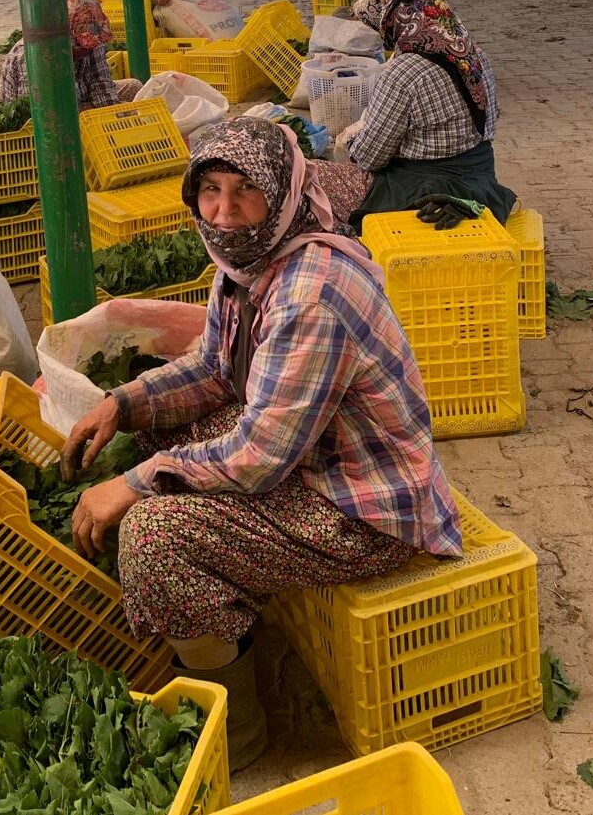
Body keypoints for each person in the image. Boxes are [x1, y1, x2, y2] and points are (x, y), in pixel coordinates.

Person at [60, 117, 461, 771]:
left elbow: (258, 454)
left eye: (244, 189)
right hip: (310, 454)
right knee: (160, 431)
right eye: (210, 189)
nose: (223, 210)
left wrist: (133, 485)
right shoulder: (248, 262)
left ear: (280, 193)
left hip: (361, 506)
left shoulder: (311, 292)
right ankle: (229, 623)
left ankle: (237, 735)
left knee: (153, 537)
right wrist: (122, 403)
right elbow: (214, 371)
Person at [344, 0, 517, 228]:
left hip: (425, 191)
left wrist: (350, 140)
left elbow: (370, 157)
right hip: (482, 181)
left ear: (397, 22)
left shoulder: (403, 73)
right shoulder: (474, 55)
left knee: (325, 186)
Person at [0, 0, 143, 107]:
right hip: (54, 113)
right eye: (79, 45)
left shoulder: (93, 40)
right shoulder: (32, 56)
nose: (85, 50)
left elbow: (102, 84)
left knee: (134, 87)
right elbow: (36, 112)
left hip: (81, 96)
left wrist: (113, 116)